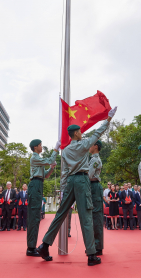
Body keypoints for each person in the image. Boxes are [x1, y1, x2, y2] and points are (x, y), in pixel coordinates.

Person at [37, 106, 117, 266]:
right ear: (76, 134)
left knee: (60, 214)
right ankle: (91, 254)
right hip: (81, 181)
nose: (82, 133)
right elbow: (97, 133)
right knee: (86, 217)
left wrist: (64, 189)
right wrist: (108, 119)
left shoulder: (65, 151)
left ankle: (44, 245)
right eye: (80, 131)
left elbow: (64, 173)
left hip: (70, 182)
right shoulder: (83, 145)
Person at [26, 139, 58, 257]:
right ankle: (31, 247)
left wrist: (52, 168)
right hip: (35, 184)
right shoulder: (35, 158)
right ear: (35, 147)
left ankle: (32, 246)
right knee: (34, 216)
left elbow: (45, 175)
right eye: (40, 145)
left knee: (36, 216)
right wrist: (55, 149)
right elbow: (49, 160)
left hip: (38, 184)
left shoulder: (38, 159)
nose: (42, 147)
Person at [88, 140, 104, 254]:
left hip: (94, 186)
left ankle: (97, 246)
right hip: (92, 186)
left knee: (96, 217)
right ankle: (94, 245)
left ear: (96, 147)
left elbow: (89, 175)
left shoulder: (95, 160)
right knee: (93, 217)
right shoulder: (92, 159)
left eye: (91, 144)